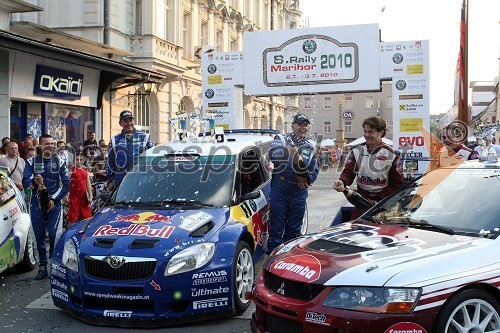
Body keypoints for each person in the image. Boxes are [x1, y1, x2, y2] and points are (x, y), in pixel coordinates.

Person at [267, 113, 318, 255]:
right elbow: (274, 155)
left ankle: (289, 259)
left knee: (294, 229)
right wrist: (295, 162)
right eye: (299, 124)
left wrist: (308, 180)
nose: (302, 127)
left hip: (299, 191)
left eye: (305, 124)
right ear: (292, 125)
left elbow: (314, 169)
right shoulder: (282, 139)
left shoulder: (310, 146)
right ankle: (273, 261)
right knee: (276, 229)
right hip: (281, 187)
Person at [333, 116, 403, 220]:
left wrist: (379, 197)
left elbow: (397, 183)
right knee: (356, 231)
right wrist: (342, 181)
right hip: (361, 201)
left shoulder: (392, 154)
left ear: (381, 132)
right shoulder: (357, 150)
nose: (366, 135)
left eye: (371, 132)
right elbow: (348, 171)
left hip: (384, 203)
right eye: (365, 131)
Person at [23, 134, 70, 280]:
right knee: (38, 236)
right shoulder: (31, 161)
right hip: (37, 204)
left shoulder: (60, 160)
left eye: (52, 143)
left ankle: (54, 265)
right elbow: (26, 184)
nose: (50, 145)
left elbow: (66, 183)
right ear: (40, 146)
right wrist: (34, 181)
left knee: (54, 233)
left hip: (54, 204)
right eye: (46, 143)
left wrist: (54, 199)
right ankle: (42, 266)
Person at [106, 110, 152, 190]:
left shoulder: (145, 137)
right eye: (126, 121)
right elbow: (110, 161)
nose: (129, 123)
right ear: (120, 123)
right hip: (120, 181)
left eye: (131, 120)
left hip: (141, 180)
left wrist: (151, 177)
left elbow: (152, 160)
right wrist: (110, 180)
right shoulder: (115, 140)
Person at [67, 153, 92, 227]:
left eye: (80, 160)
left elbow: (88, 183)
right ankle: (69, 233)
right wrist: (65, 195)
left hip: (84, 197)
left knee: (87, 217)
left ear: (83, 160)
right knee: (72, 218)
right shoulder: (72, 170)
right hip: (74, 196)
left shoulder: (85, 170)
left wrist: (90, 195)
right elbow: (66, 182)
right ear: (74, 160)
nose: (79, 161)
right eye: (77, 160)